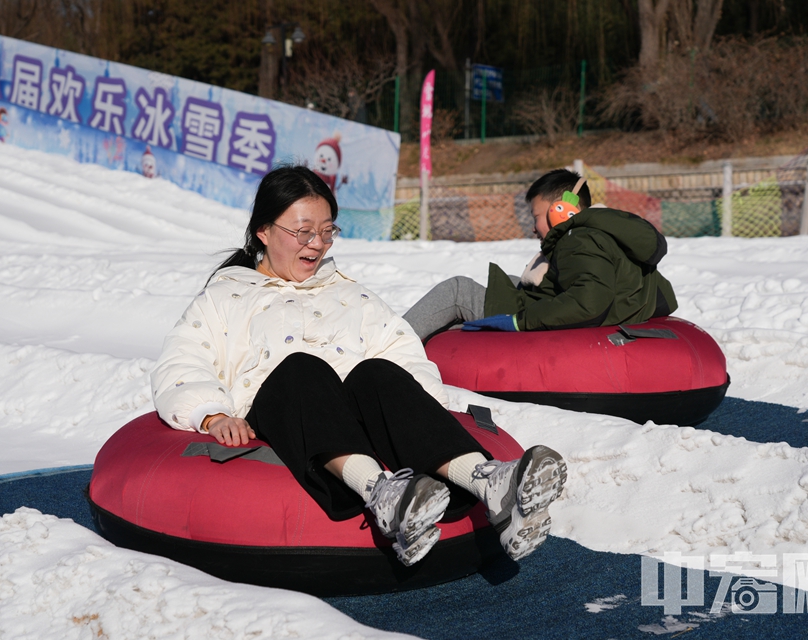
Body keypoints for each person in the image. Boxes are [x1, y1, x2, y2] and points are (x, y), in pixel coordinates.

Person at [151, 165, 567, 567]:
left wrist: (427, 410)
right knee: (302, 368)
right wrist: (210, 413)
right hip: (281, 415)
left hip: (355, 420)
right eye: (302, 232)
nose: (316, 244)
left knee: (378, 372)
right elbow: (182, 360)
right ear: (264, 231)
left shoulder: (351, 295)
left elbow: (402, 351)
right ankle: (380, 492)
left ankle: (488, 483)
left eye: (327, 231)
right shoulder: (225, 298)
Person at [403, 168, 678, 339]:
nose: (534, 228)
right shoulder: (606, 233)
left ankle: (387, 342)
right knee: (514, 281)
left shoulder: (577, 239)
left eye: (536, 217)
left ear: (561, 213)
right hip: (556, 302)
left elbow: (590, 301)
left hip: (531, 315)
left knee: (457, 289)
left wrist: (519, 321)